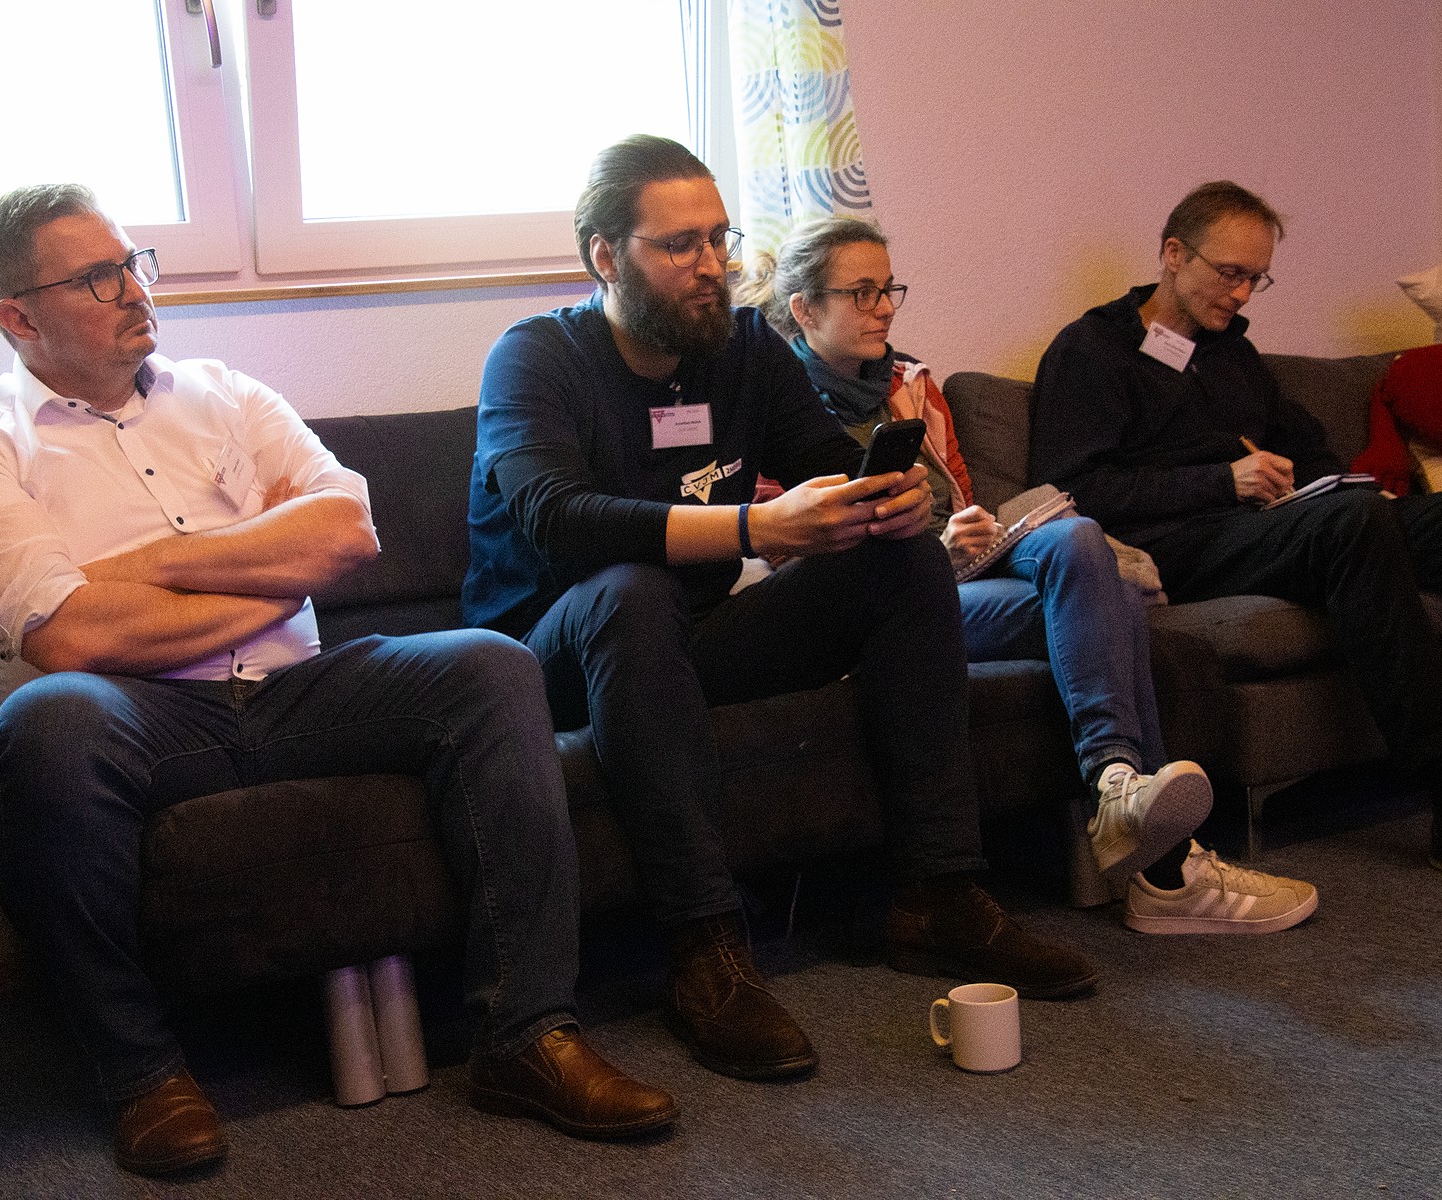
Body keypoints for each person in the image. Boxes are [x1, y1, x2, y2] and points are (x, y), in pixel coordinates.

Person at [0, 185, 677, 1175]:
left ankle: (526, 1033)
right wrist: (273, 576)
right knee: (48, 718)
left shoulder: (227, 394)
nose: (136, 289)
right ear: (18, 317)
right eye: (98, 277)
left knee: (489, 665)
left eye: (135, 261)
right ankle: (139, 1072)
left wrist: (144, 568)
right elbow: (70, 637)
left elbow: (346, 531)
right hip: (136, 717)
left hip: (299, 695)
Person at [464, 136, 1099, 1086]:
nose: (711, 264)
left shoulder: (744, 346)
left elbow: (824, 461)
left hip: (680, 647)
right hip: (546, 662)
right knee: (630, 590)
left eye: (719, 239)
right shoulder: (535, 358)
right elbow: (557, 517)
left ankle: (939, 891)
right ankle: (705, 950)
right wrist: (754, 525)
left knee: (899, 559)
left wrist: (888, 497)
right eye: (679, 245)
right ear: (605, 256)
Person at [745, 215, 1318, 934]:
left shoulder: (913, 385)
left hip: (959, 576)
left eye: (889, 289)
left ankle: (1118, 786)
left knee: (1079, 542)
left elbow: (957, 492)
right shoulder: (774, 406)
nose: (884, 308)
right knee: (1110, 601)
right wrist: (927, 546)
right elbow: (782, 556)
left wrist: (973, 528)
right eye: (862, 293)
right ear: (804, 308)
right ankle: (1166, 871)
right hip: (872, 605)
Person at [1028, 180, 1442, 899]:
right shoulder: (1091, 350)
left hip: (1287, 526)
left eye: (1256, 279)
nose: (1242, 294)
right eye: (1229, 273)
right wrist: (1222, 481)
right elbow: (1073, 492)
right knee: (1351, 524)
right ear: (1173, 254)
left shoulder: (1232, 354)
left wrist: (1334, 483)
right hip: (1181, 546)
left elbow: (1310, 446)